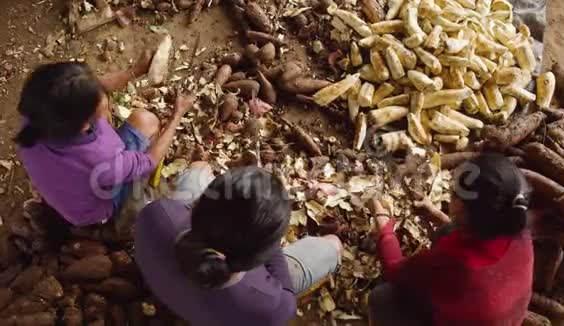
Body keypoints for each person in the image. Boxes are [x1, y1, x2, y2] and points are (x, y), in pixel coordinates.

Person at [135, 165, 342, 326]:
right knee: (334, 245)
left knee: (200, 168)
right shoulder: (269, 305)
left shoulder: (157, 214)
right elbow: (284, 286)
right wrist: (271, 240)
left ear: (199, 208)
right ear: (259, 257)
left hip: (166, 279)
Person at [15, 56, 192, 226]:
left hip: (64, 188)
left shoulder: (36, 113)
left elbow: (91, 87)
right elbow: (148, 162)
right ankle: (116, 218)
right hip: (96, 209)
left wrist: (135, 71)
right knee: (147, 121)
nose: (106, 102)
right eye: (103, 107)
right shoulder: (100, 158)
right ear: (84, 125)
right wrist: (177, 115)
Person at [369, 152, 534, 326]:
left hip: (469, 303)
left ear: (461, 206)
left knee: (382, 298)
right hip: (501, 313)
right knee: (447, 230)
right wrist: (436, 214)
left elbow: (394, 269)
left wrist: (384, 225)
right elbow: (479, 242)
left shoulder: (455, 262)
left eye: (453, 191)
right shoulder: (518, 227)